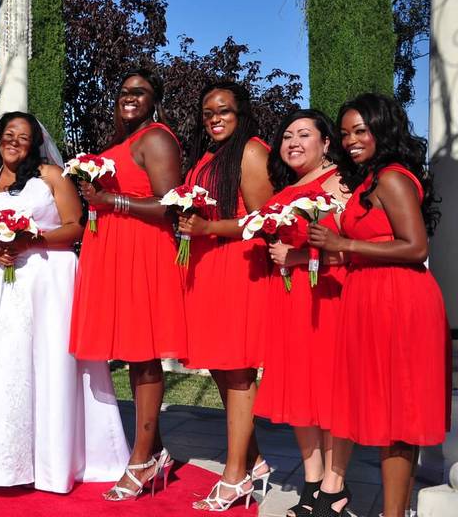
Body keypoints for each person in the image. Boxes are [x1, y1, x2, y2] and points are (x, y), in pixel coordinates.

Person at [0, 112, 130, 493]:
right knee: (2, 366)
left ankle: (53, 461)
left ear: (34, 143)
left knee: (49, 362)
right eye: (8, 134)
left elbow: (76, 226)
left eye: (23, 137)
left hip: (47, 280)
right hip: (1, 283)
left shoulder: (50, 177)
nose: (14, 142)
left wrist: (31, 241)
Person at [308, 93, 449, 517]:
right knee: (389, 413)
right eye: (346, 132)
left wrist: (342, 242)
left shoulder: (392, 177)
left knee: (400, 415)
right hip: (371, 297)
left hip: (399, 300)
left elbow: (415, 247)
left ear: (382, 131)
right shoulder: (369, 180)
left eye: (361, 131)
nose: (351, 140)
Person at [68, 68, 187, 501]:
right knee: (132, 357)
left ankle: (141, 459)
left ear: (155, 100)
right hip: (115, 251)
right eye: (122, 91)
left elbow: (169, 204)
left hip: (143, 254)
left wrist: (109, 200)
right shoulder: (120, 146)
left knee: (145, 354)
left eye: (139, 91)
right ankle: (155, 450)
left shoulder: (156, 137)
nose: (128, 97)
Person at [177, 81, 274, 511]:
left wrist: (209, 228)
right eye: (207, 113)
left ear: (241, 114)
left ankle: (234, 476)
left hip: (238, 266)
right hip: (205, 266)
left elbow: (265, 219)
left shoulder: (251, 151)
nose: (214, 118)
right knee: (218, 365)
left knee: (237, 371)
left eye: (223, 111)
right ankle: (255, 461)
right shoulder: (208, 156)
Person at [253, 109, 353, 517]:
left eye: (305, 135)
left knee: (330, 391)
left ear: (326, 143)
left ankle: (336, 485)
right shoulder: (287, 188)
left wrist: (295, 256)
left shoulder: (339, 183)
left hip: (328, 297)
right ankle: (312, 481)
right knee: (301, 390)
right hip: (291, 299)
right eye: (287, 135)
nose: (293, 142)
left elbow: (351, 245)